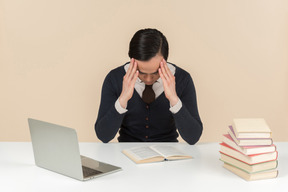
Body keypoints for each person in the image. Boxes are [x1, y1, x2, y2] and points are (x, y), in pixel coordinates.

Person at [95, 28, 203, 145]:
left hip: (169, 155)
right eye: (141, 72)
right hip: (126, 154)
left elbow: (193, 137)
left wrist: (174, 99)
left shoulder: (183, 79)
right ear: (132, 61)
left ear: (165, 61)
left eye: (156, 72)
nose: (148, 79)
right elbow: (103, 136)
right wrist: (123, 99)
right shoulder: (114, 78)